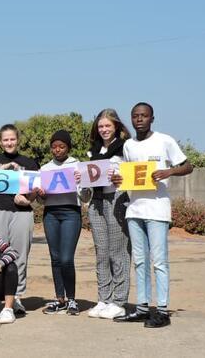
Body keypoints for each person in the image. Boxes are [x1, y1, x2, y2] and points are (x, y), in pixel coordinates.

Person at [112, 102, 193, 328]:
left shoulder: (164, 140)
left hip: (157, 209)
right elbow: (127, 174)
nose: (139, 119)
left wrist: (169, 171)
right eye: (135, 116)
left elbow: (188, 166)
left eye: (144, 116)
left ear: (152, 118)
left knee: (159, 261)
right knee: (139, 261)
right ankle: (142, 307)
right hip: (135, 208)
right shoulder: (128, 145)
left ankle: (163, 310)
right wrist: (119, 179)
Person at [0, 124, 39, 315]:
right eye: (5, 139)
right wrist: (3, 169)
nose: (9, 143)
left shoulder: (29, 162)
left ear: (18, 140)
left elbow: (36, 191)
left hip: (22, 213)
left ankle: (17, 296)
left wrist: (27, 199)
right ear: (0, 141)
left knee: (20, 255)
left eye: (12, 139)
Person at [86, 109, 131, 320]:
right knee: (101, 253)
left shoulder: (125, 148)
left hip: (117, 201)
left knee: (118, 252)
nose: (104, 129)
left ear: (116, 127)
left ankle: (119, 301)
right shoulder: (93, 150)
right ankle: (103, 299)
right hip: (95, 202)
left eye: (108, 126)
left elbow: (132, 174)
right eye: (101, 126)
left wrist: (121, 178)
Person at [36, 130, 85, 316]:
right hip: (50, 214)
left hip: (71, 212)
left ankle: (72, 299)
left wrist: (82, 184)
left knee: (66, 258)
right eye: (54, 146)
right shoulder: (45, 168)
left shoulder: (77, 165)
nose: (58, 150)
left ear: (68, 148)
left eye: (62, 146)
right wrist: (41, 195)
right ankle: (60, 299)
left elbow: (85, 196)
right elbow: (41, 201)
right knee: (55, 258)